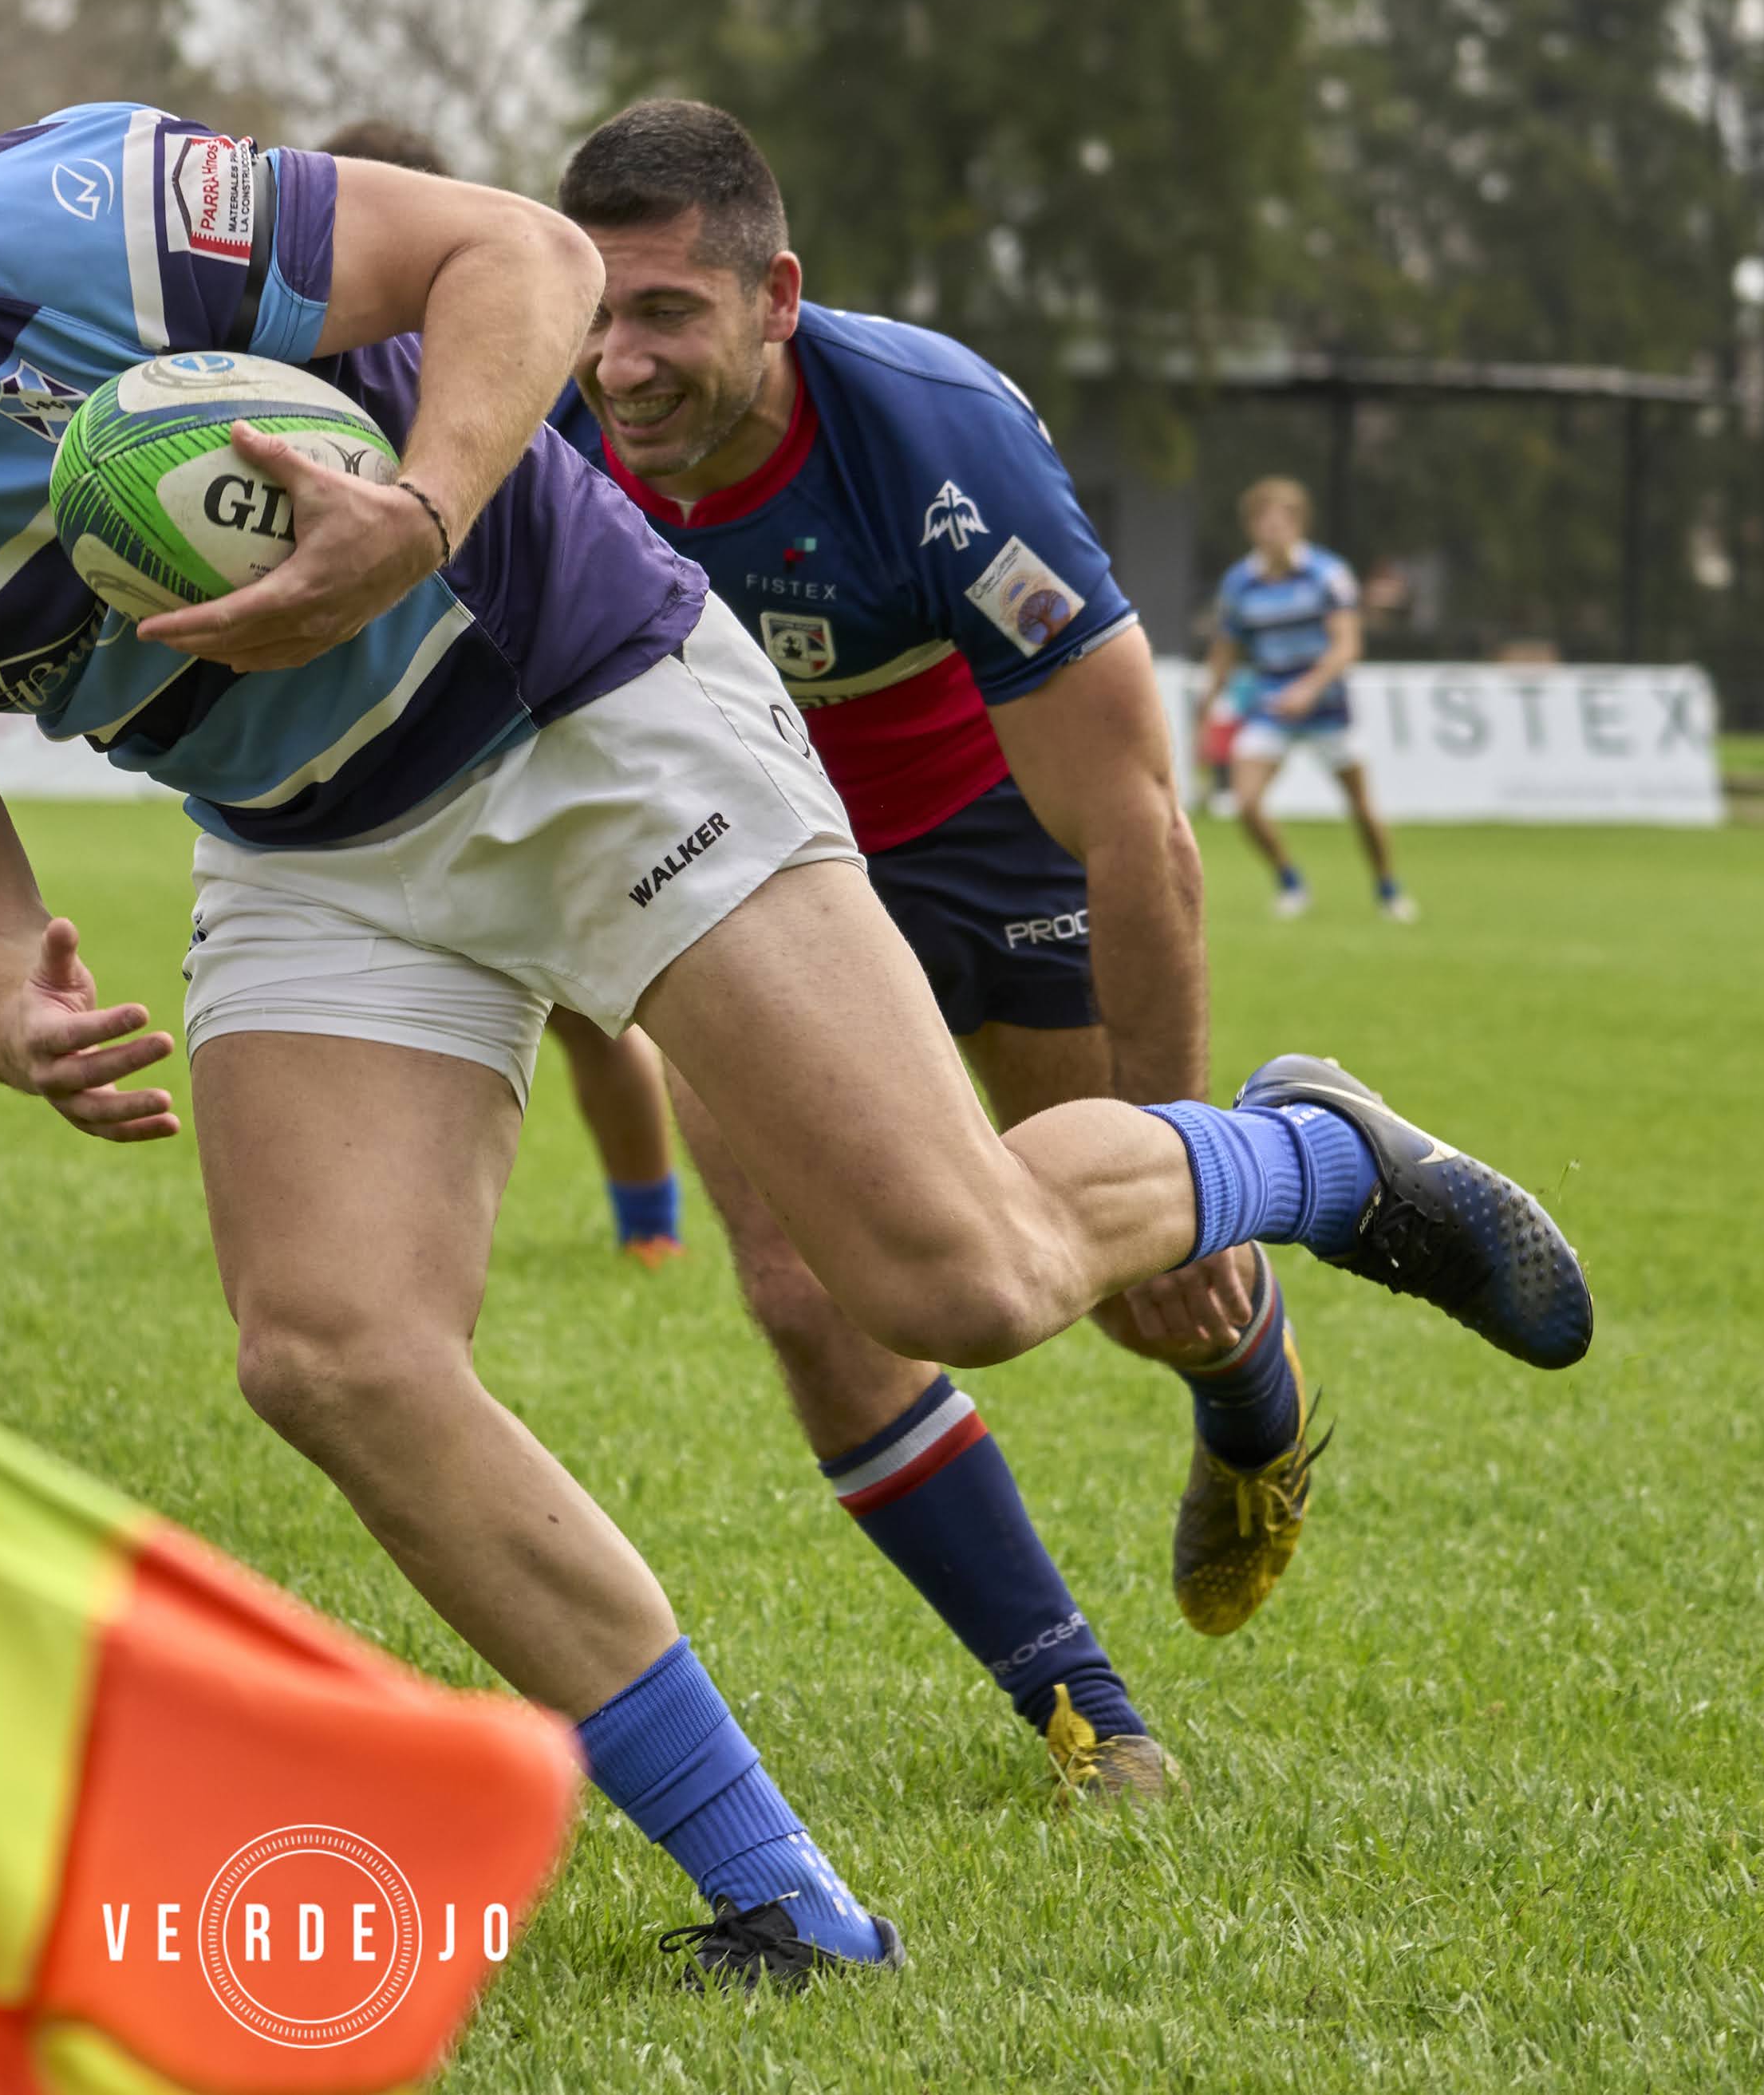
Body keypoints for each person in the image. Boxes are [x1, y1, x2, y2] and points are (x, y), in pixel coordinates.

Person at [0, 35, 1595, 1983]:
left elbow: (517, 254)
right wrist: (5, 1006)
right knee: (327, 1348)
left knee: (955, 1276)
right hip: (311, 842)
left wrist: (413, 513)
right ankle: (787, 1900)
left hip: (585, 707)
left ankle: (1309, 1152)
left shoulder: (62, 218)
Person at [549, 104, 1324, 1721]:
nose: (619, 363)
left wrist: (1178, 1157)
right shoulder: (541, 414)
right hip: (752, 859)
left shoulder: (932, 433)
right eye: (597, 312)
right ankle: (1080, 1708)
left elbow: (1136, 825)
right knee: (802, 1290)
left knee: (1126, 1288)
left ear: (775, 297)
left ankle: (1250, 1392)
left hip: (995, 842)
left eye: (666, 313)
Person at [319, 120, 689, 1264]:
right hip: (386, 757)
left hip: (554, 718)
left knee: (589, 1017)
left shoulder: (528, 364)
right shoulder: (299, 376)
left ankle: (652, 1235)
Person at [1207, 476, 1415, 921]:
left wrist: (1309, 688)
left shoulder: (1327, 574)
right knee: (1245, 802)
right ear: (1251, 527)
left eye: (1282, 521)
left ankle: (1388, 889)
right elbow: (1225, 652)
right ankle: (1290, 882)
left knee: (1361, 807)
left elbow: (1348, 645)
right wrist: (1206, 710)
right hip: (1271, 706)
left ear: (1298, 524)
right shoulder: (1239, 584)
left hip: (1328, 708)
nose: (1273, 530)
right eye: (1264, 521)